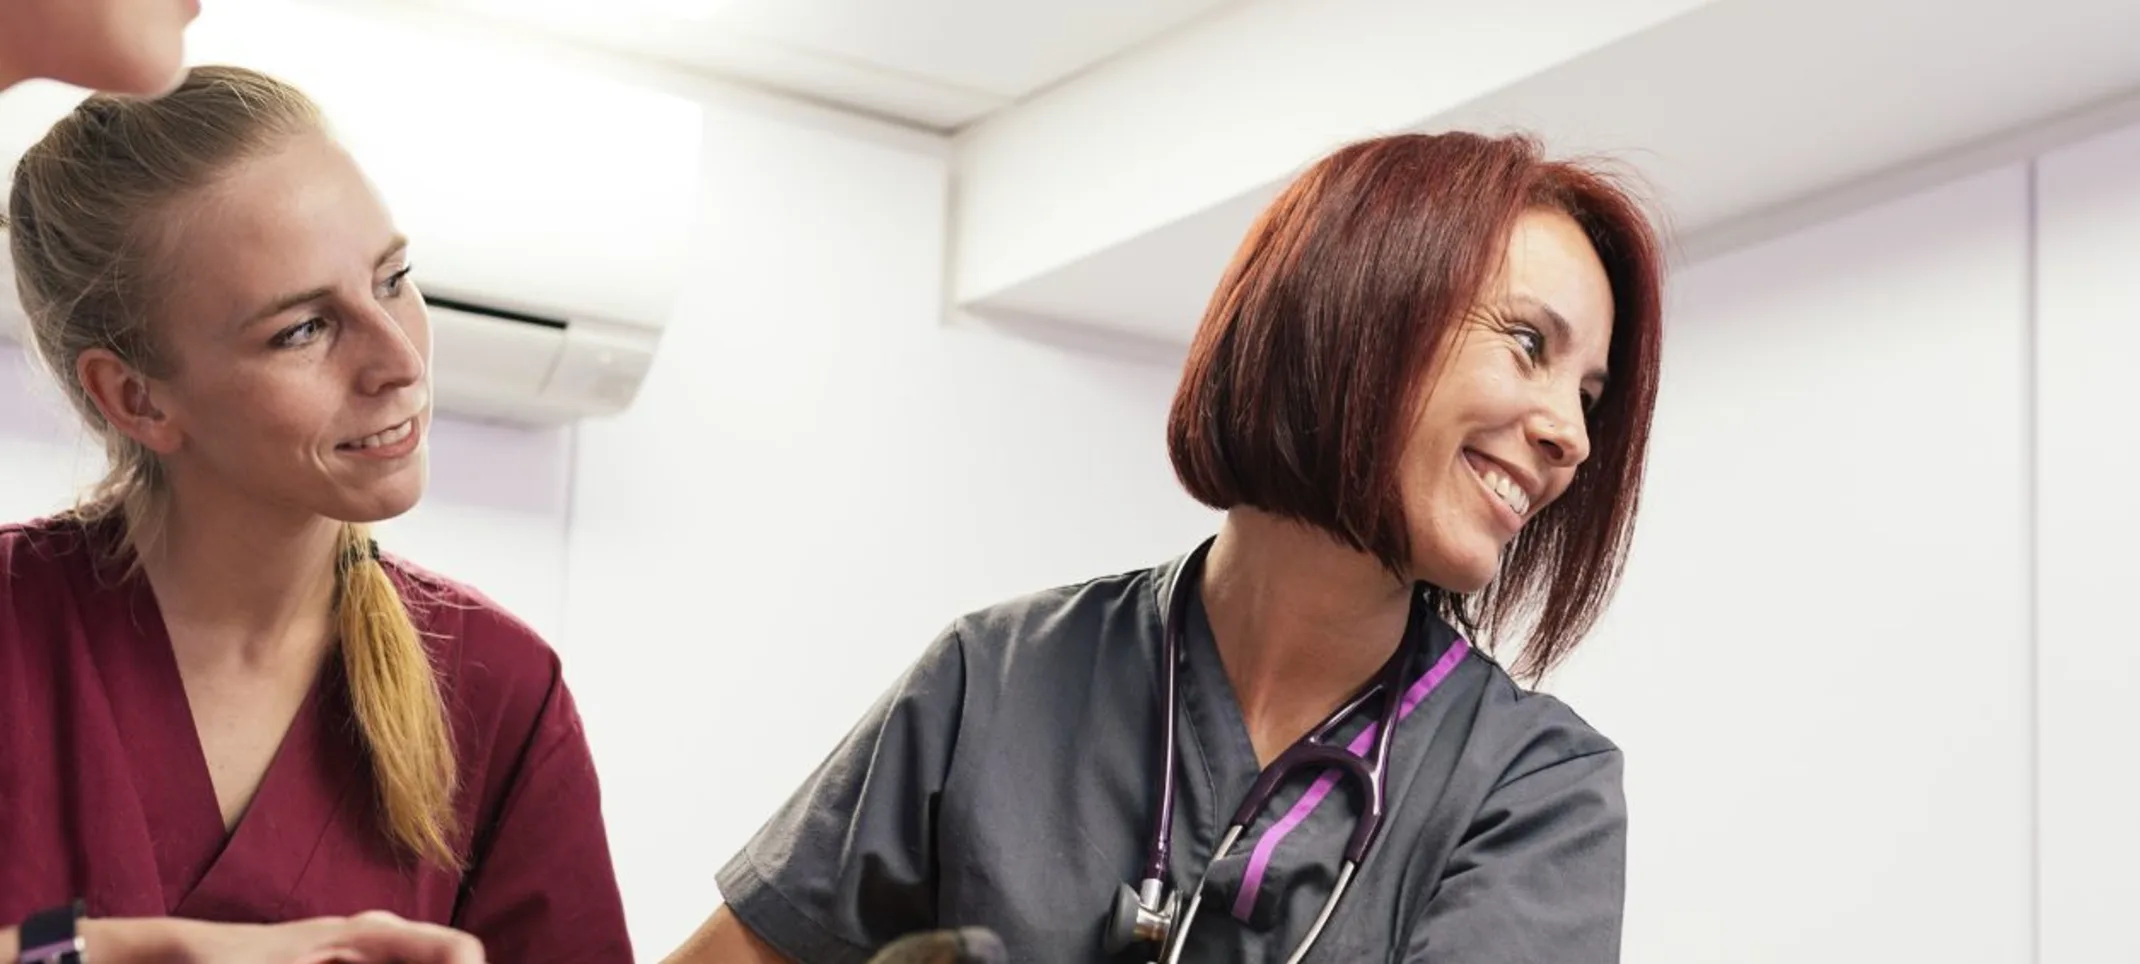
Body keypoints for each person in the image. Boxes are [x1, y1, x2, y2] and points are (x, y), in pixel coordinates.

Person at [666, 130, 1664, 964]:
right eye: (1528, 344)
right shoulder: (998, 681)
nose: (1569, 437)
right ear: (1358, 308)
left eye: (1587, 396)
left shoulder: (1534, 788)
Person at [0, 3, 630, 963]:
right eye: (303, 329)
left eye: (392, 279)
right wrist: (109, 953)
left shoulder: (501, 692)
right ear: (136, 397)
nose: (399, 363)